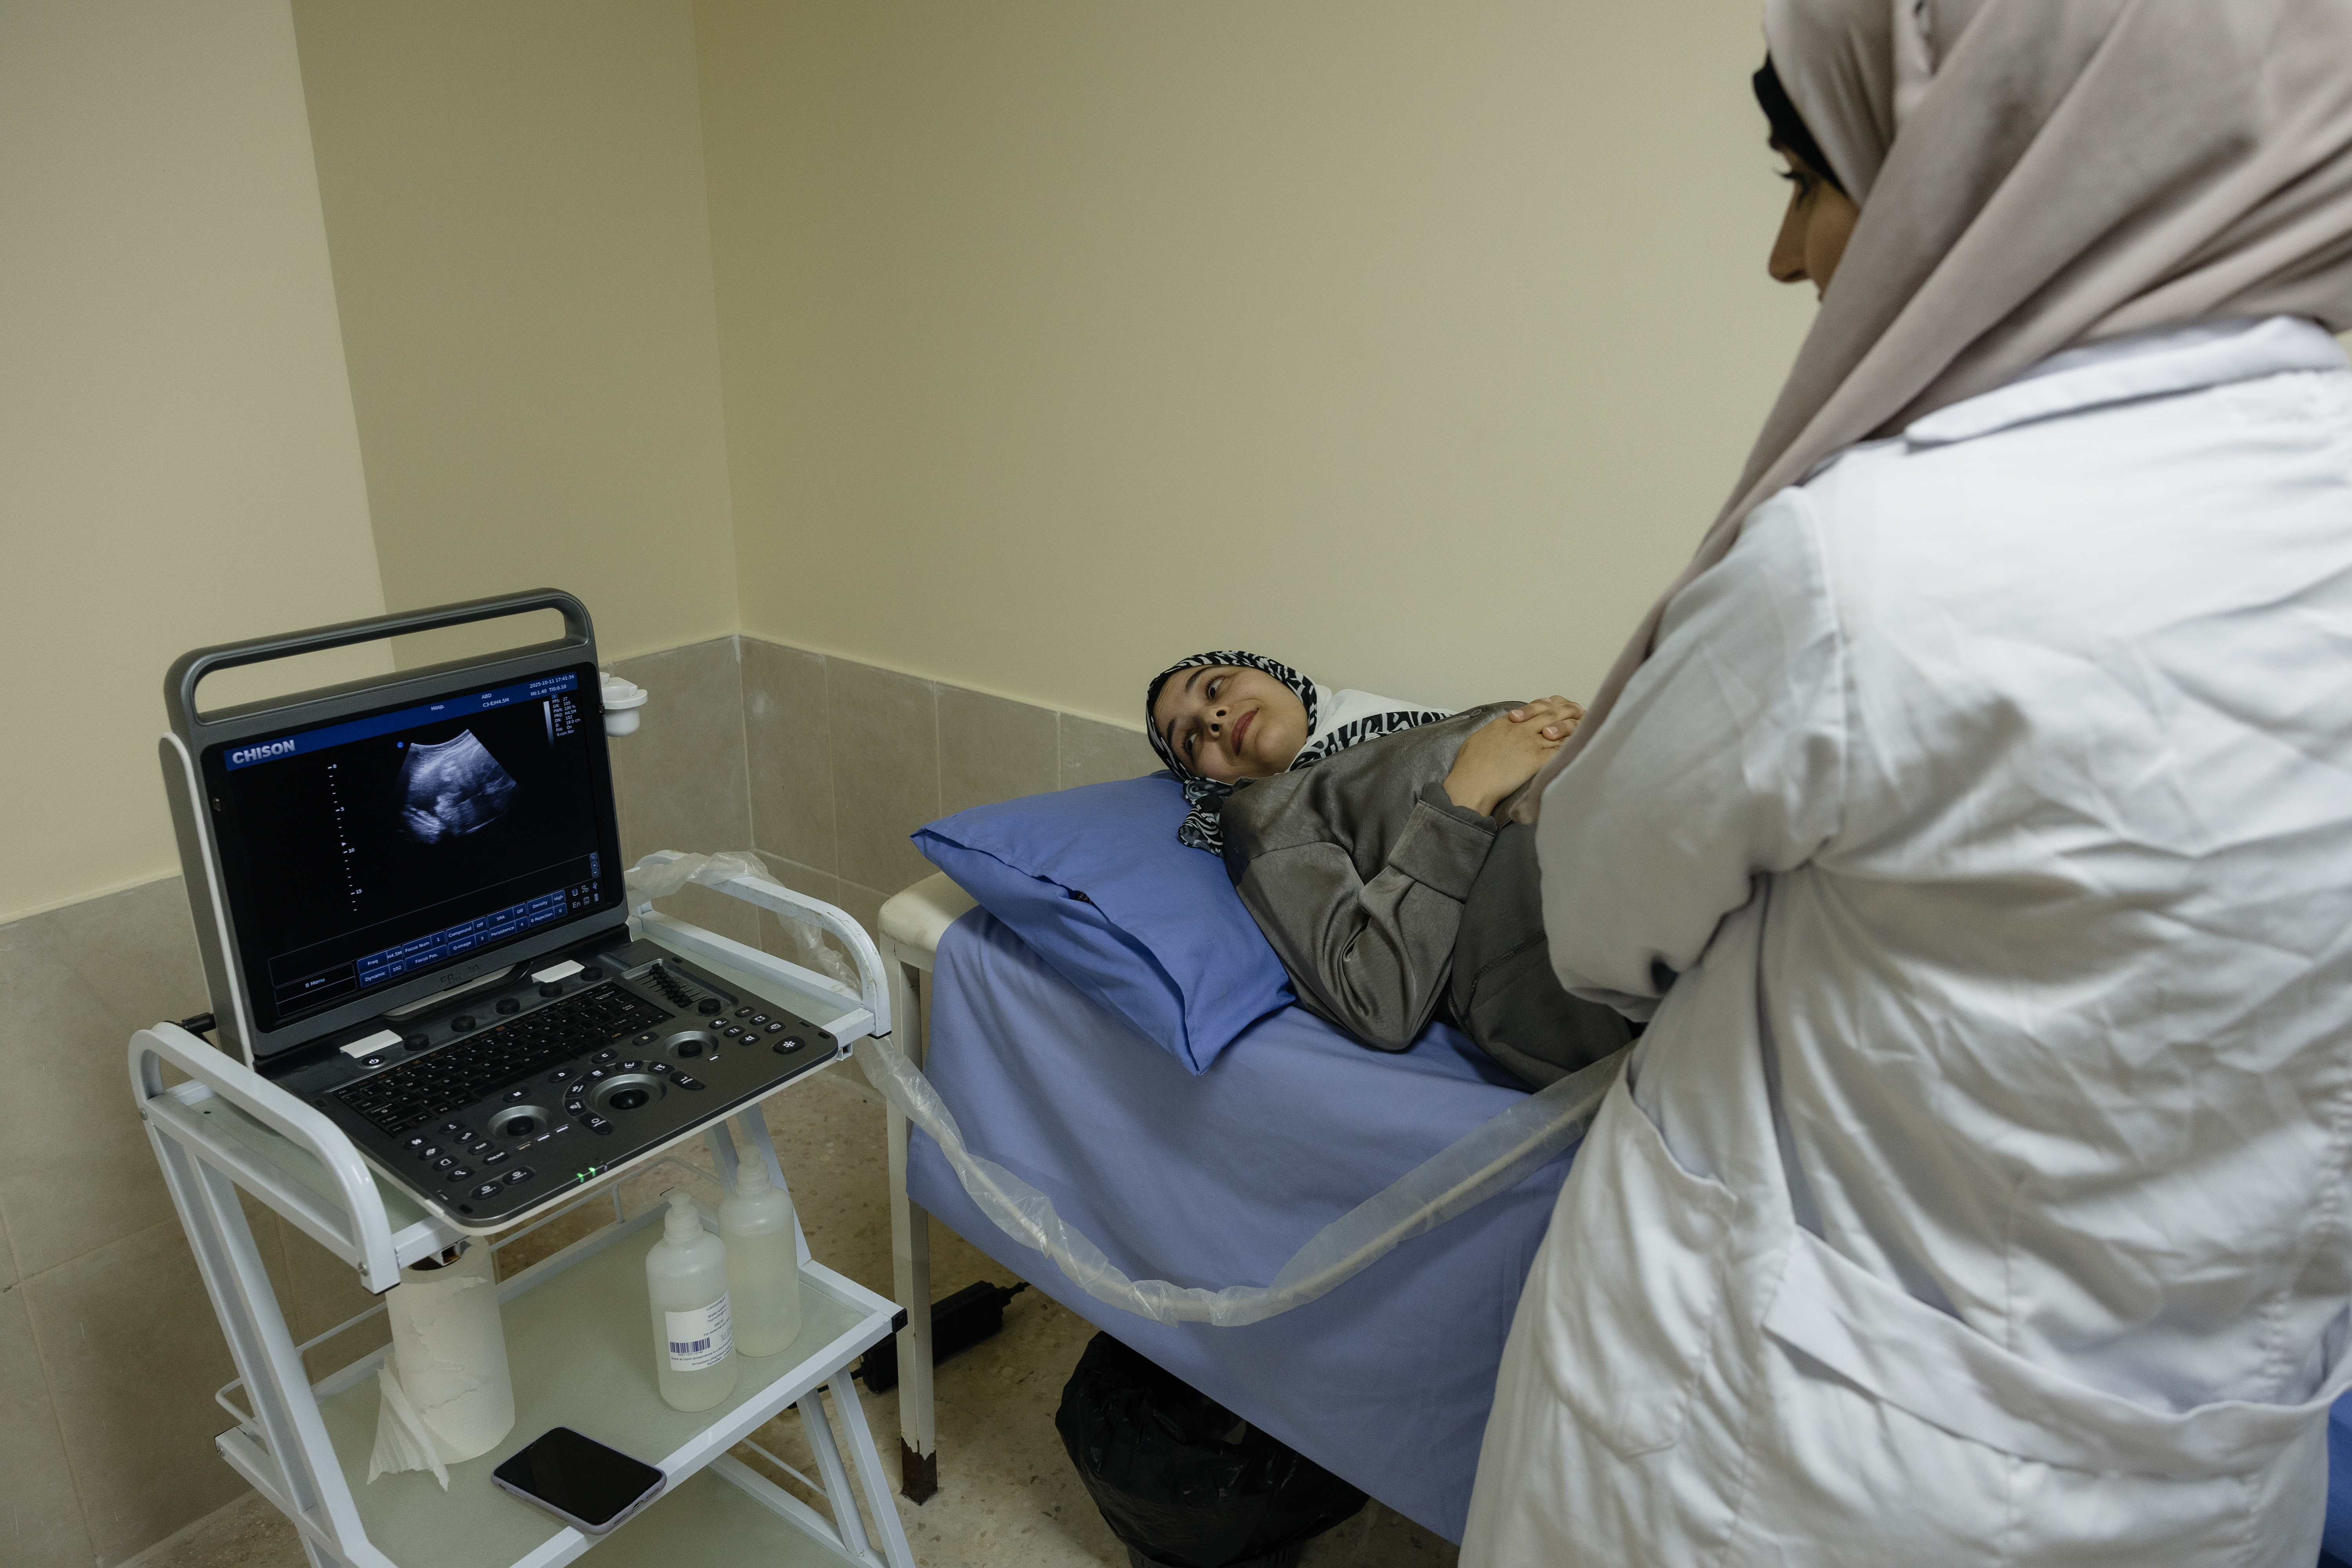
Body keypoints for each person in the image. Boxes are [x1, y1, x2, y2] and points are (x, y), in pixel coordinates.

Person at [1463, 2, 2352, 1563]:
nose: (1789, 253)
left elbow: (1597, 928)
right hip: (2208, 1473)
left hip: (1786, 1466)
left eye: (1809, 174)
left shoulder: (1875, 560)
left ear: (2003, 154)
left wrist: (1505, 780)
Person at [1145, 651, 1631, 1087]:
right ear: (1203, 780)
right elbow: (1376, 1000)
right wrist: (1466, 796)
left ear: (1274, 674)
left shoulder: (1393, 724)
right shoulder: (1266, 814)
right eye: (1189, 740)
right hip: (1570, 916)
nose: (1213, 716)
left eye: (1214, 688)